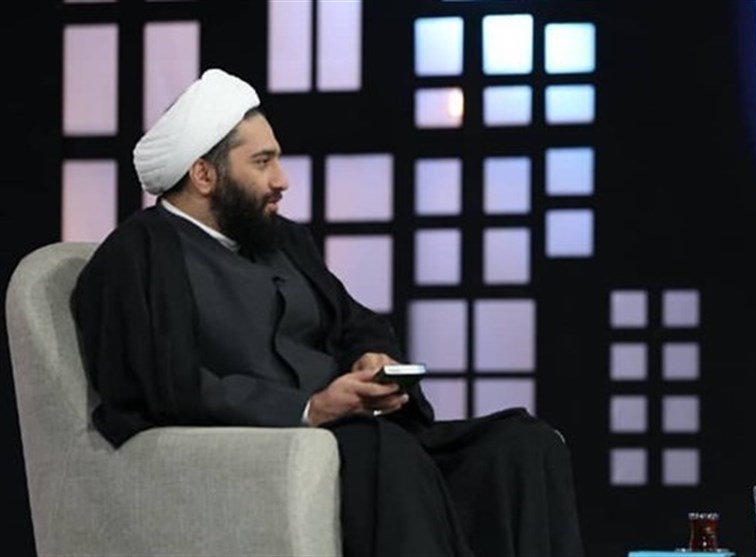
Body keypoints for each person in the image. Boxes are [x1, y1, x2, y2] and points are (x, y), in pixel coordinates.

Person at [72, 67, 585, 557]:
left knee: (524, 445)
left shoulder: (283, 241)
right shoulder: (139, 254)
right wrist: (310, 409)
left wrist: (371, 358)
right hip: (274, 448)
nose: (282, 180)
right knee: (387, 453)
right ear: (204, 174)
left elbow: (355, 322)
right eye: (262, 162)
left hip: (363, 439)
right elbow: (162, 385)